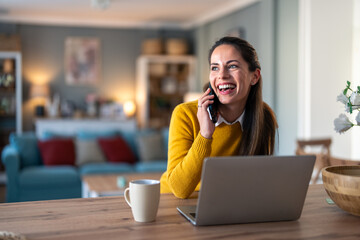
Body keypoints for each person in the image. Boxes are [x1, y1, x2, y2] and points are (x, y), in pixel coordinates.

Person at [160, 36, 278, 199]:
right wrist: (205, 134)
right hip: (173, 202)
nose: (222, 75)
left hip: (224, 201)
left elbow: (257, 178)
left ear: (254, 77)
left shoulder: (264, 117)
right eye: (215, 68)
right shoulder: (185, 114)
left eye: (232, 66)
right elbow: (180, 189)